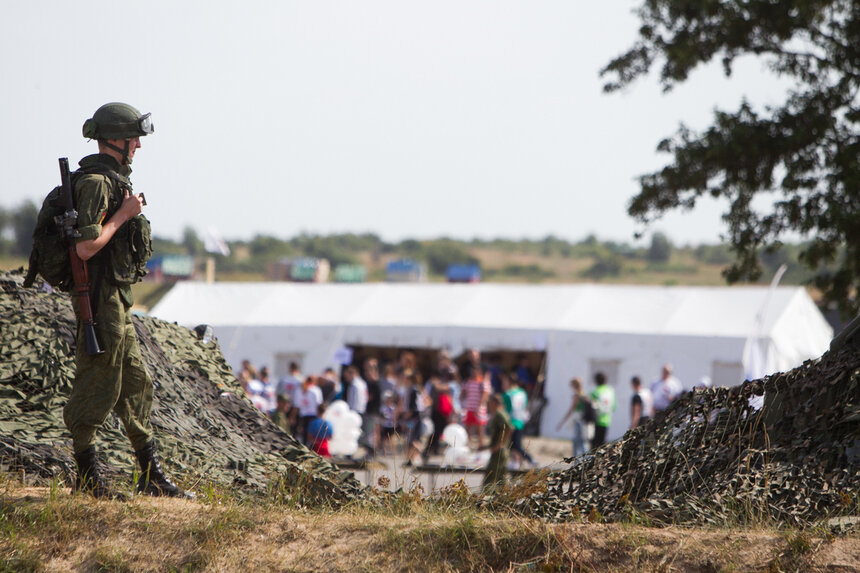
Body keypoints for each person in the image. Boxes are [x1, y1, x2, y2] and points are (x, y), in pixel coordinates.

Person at [63, 102, 190, 499]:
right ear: (114, 139)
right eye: (133, 137)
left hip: (116, 297)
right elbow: (85, 248)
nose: (137, 144)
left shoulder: (112, 180)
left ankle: (150, 474)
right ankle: (87, 479)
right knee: (100, 382)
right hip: (99, 298)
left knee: (136, 382)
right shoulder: (98, 184)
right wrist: (123, 214)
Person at [481, 393, 513, 493]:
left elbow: (509, 428)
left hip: (500, 452)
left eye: (489, 402)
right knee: (501, 479)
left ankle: (485, 498)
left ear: (494, 403)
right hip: (498, 451)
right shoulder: (496, 414)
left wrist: (500, 444)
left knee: (490, 478)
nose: (488, 405)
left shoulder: (500, 414)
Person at [502, 373, 535, 468]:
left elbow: (507, 410)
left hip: (511, 422)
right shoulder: (522, 392)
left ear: (509, 382)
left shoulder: (507, 394)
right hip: (521, 420)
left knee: (514, 445)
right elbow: (525, 406)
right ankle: (517, 462)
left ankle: (530, 460)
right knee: (515, 444)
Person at [556, 377, 591, 456]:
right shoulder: (584, 394)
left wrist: (562, 422)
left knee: (577, 441)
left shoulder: (577, 396)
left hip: (578, 420)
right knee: (583, 440)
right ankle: (583, 459)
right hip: (584, 419)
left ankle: (579, 460)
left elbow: (571, 410)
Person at [462, 361, 491, 449]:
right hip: (470, 408)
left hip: (479, 409)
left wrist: (480, 406)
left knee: (480, 430)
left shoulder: (482, 382)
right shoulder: (468, 382)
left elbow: (485, 395)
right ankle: (466, 445)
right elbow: (464, 393)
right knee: (467, 428)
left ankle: (480, 446)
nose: (473, 372)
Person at [590, 372, 616, 448]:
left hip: (596, 420)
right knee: (602, 444)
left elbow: (591, 408)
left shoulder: (595, 392)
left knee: (594, 444)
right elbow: (613, 407)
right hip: (607, 420)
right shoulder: (611, 391)